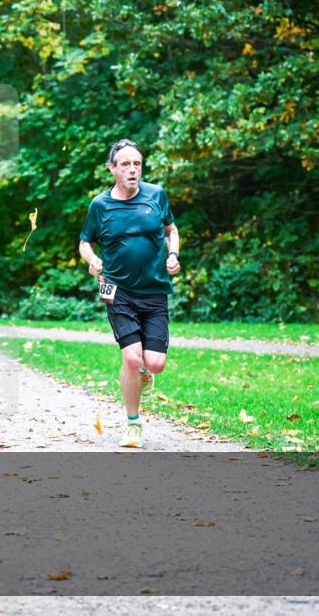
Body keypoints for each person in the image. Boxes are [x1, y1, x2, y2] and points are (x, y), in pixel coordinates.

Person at [78, 139, 181, 448]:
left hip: (154, 291)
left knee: (155, 363)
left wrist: (173, 254)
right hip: (117, 291)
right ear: (113, 169)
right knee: (132, 357)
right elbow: (85, 241)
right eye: (125, 164)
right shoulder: (100, 205)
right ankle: (133, 424)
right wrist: (93, 259)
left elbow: (170, 230)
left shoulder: (156, 195)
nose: (132, 169)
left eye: (137, 163)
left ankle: (143, 374)